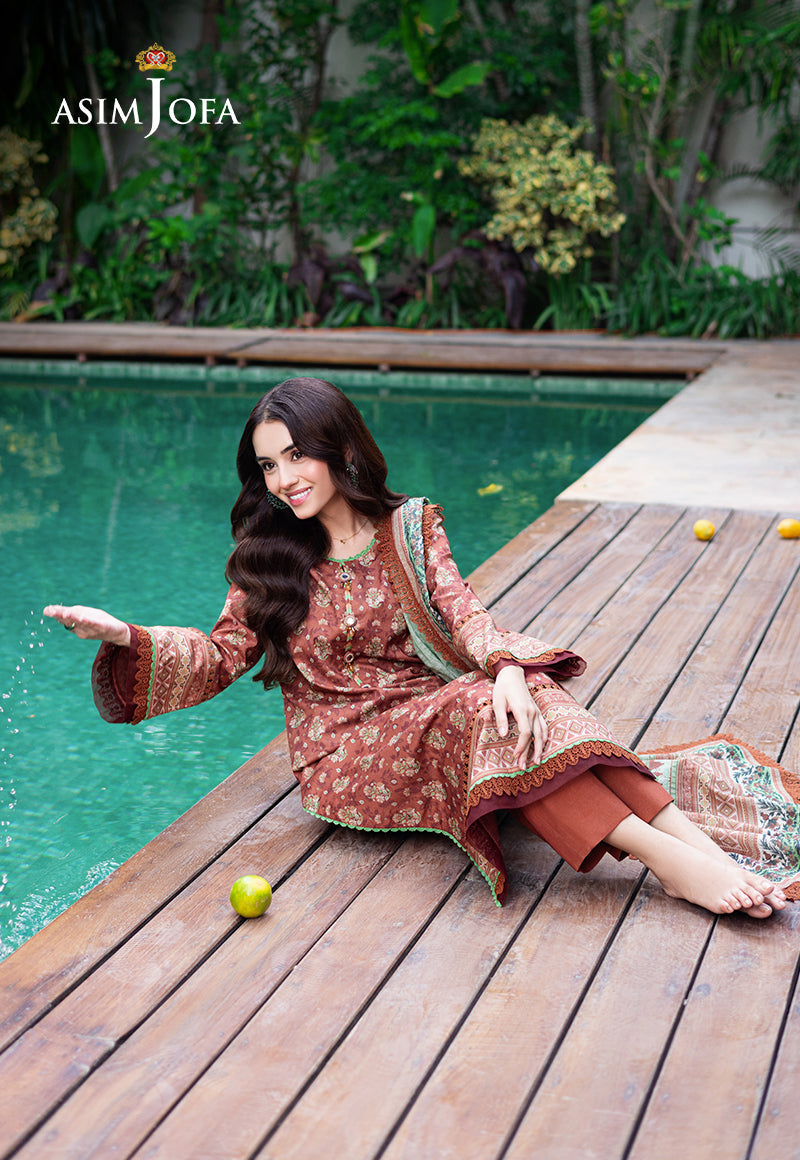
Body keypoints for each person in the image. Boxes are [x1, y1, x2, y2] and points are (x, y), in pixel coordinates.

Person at [44, 377, 788, 919]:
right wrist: (126, 637)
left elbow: (464, 613)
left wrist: (505, 667)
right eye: (269, 465)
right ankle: (667, 863)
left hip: (435, 713)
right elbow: (217, 657)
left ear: (338, 448)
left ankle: (695, 848)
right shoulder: (268, 558)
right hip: (346, 754)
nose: (284, 479)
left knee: (520, 690)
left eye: (296, 456)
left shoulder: (411, 526)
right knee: (479, 706)